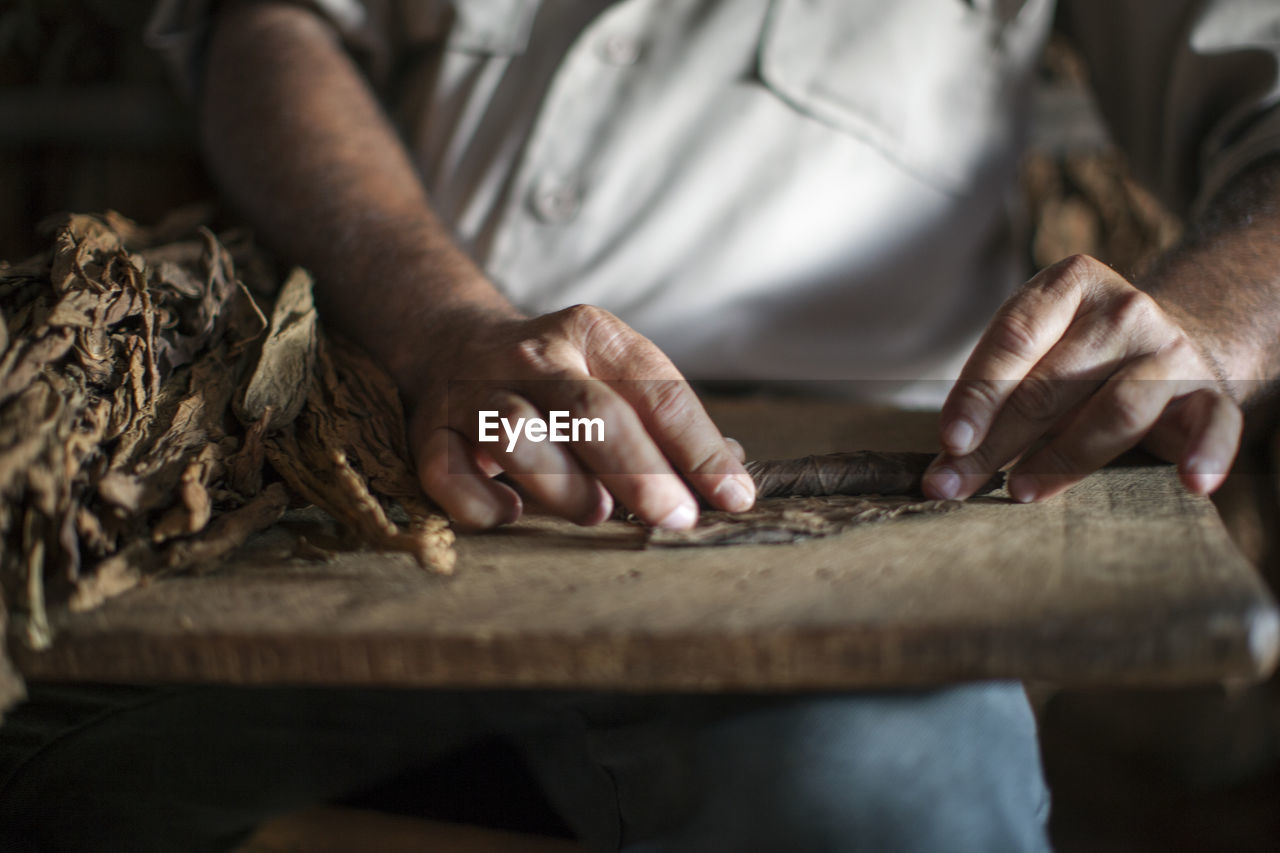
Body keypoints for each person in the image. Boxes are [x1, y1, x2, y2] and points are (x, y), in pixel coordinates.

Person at [1, 0, 1277, 850]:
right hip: (401, 437)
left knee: (892, 805)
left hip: (848, 525)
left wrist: (1206, 327)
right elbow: (263, 25)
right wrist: (442, 324)